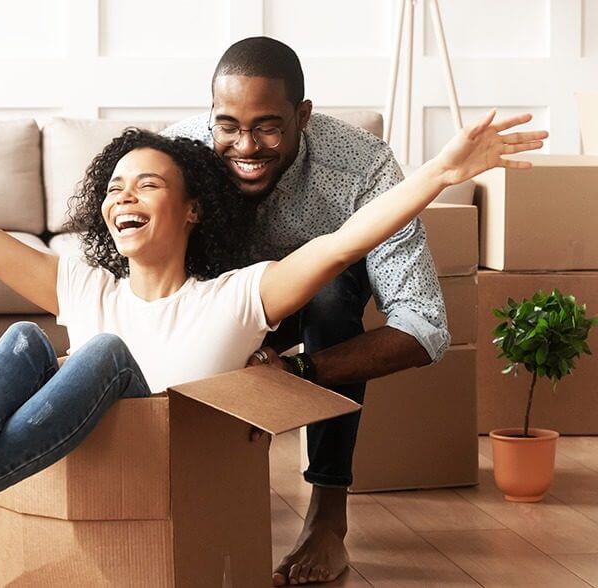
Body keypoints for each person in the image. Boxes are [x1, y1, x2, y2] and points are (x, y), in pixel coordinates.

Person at [0, 81, 544, 583]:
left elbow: (343, 244)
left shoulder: (236, 298)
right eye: (115, 187)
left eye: (147, 183)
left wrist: (440, 173)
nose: (125, 196)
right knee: (26, 341)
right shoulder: (80, 284)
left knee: (105, 353)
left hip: (166, 468)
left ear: (192, 211)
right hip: (74, 455)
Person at [161, 37, 455, 584]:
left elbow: (424, 326)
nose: (245, 146)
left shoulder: (364, 167)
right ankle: (198, 495)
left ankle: (327, 517)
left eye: (268, 127)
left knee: (329, 300)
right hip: (216, 296)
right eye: (228, 125)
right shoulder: (181, 154)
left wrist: (293, 373)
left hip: (314, 305)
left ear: (303, 115)